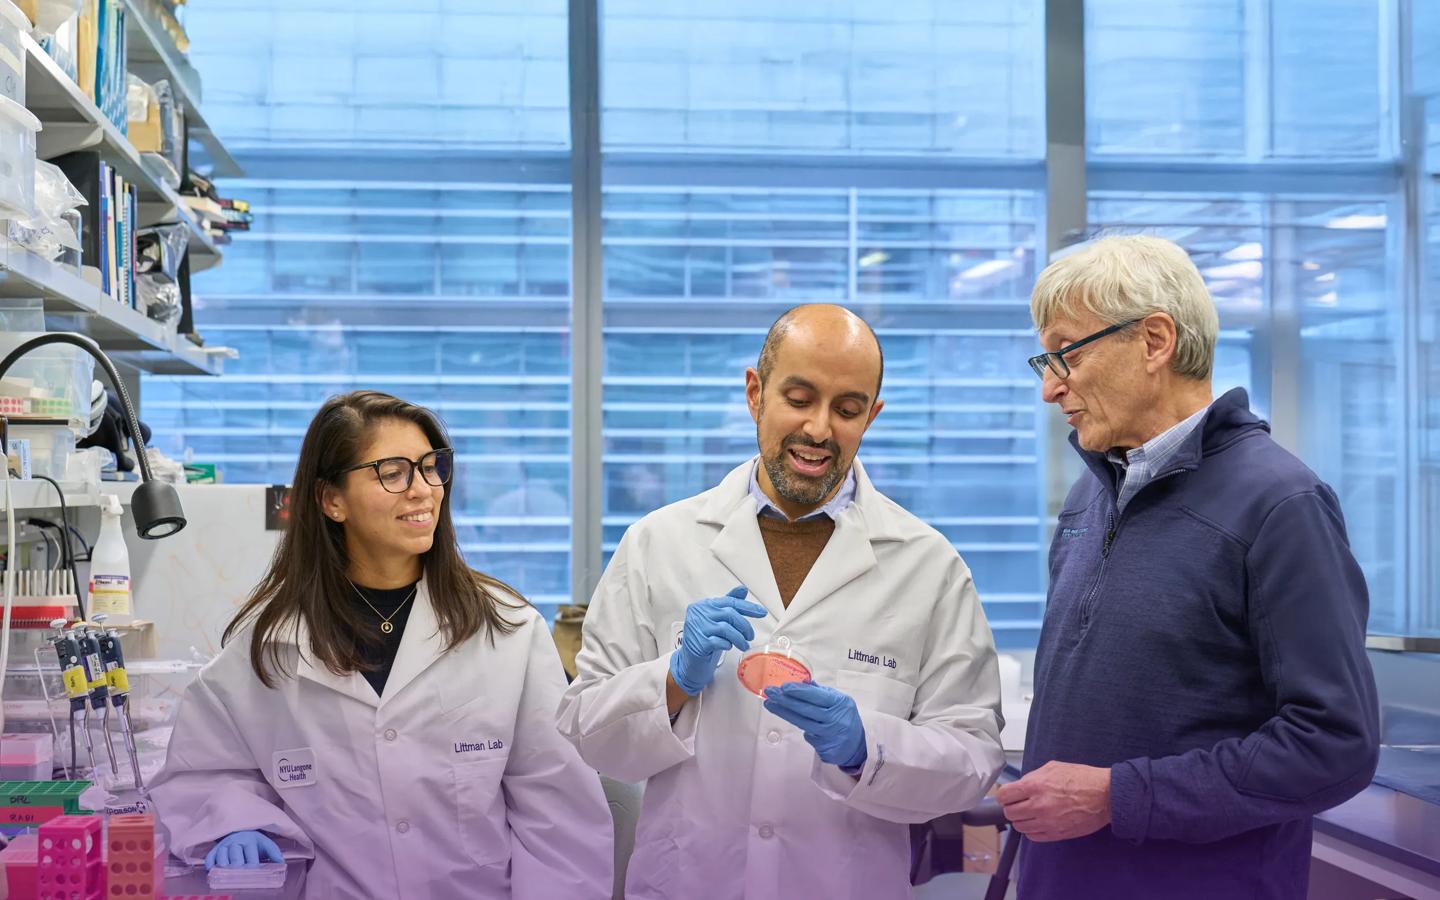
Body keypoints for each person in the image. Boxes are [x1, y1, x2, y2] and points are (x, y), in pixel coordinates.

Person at [556, 304, 1004, 899]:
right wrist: (670, 681)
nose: (819, 429)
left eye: (846, 409)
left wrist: (865, 747)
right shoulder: (657, 543)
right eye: (798, 398)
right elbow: (588, 734)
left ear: (871, 416)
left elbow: (972, 759)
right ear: (754, 393)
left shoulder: (928, 566)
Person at [1002, 235, 1379, 899]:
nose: (1050, 387)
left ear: (1153, 341)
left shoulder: (1281, 505)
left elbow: (1333, 745)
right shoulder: (1093, 494)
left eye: (1067, 352)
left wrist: (1122, 796)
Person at [150, 390, 613, 899]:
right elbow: (206, 770)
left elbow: (558, 816)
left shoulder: (506, 630)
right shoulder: (270, 644)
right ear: (332, 500)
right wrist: (237, 819)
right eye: (393, 472)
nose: (423, 490)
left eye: (430, 467)